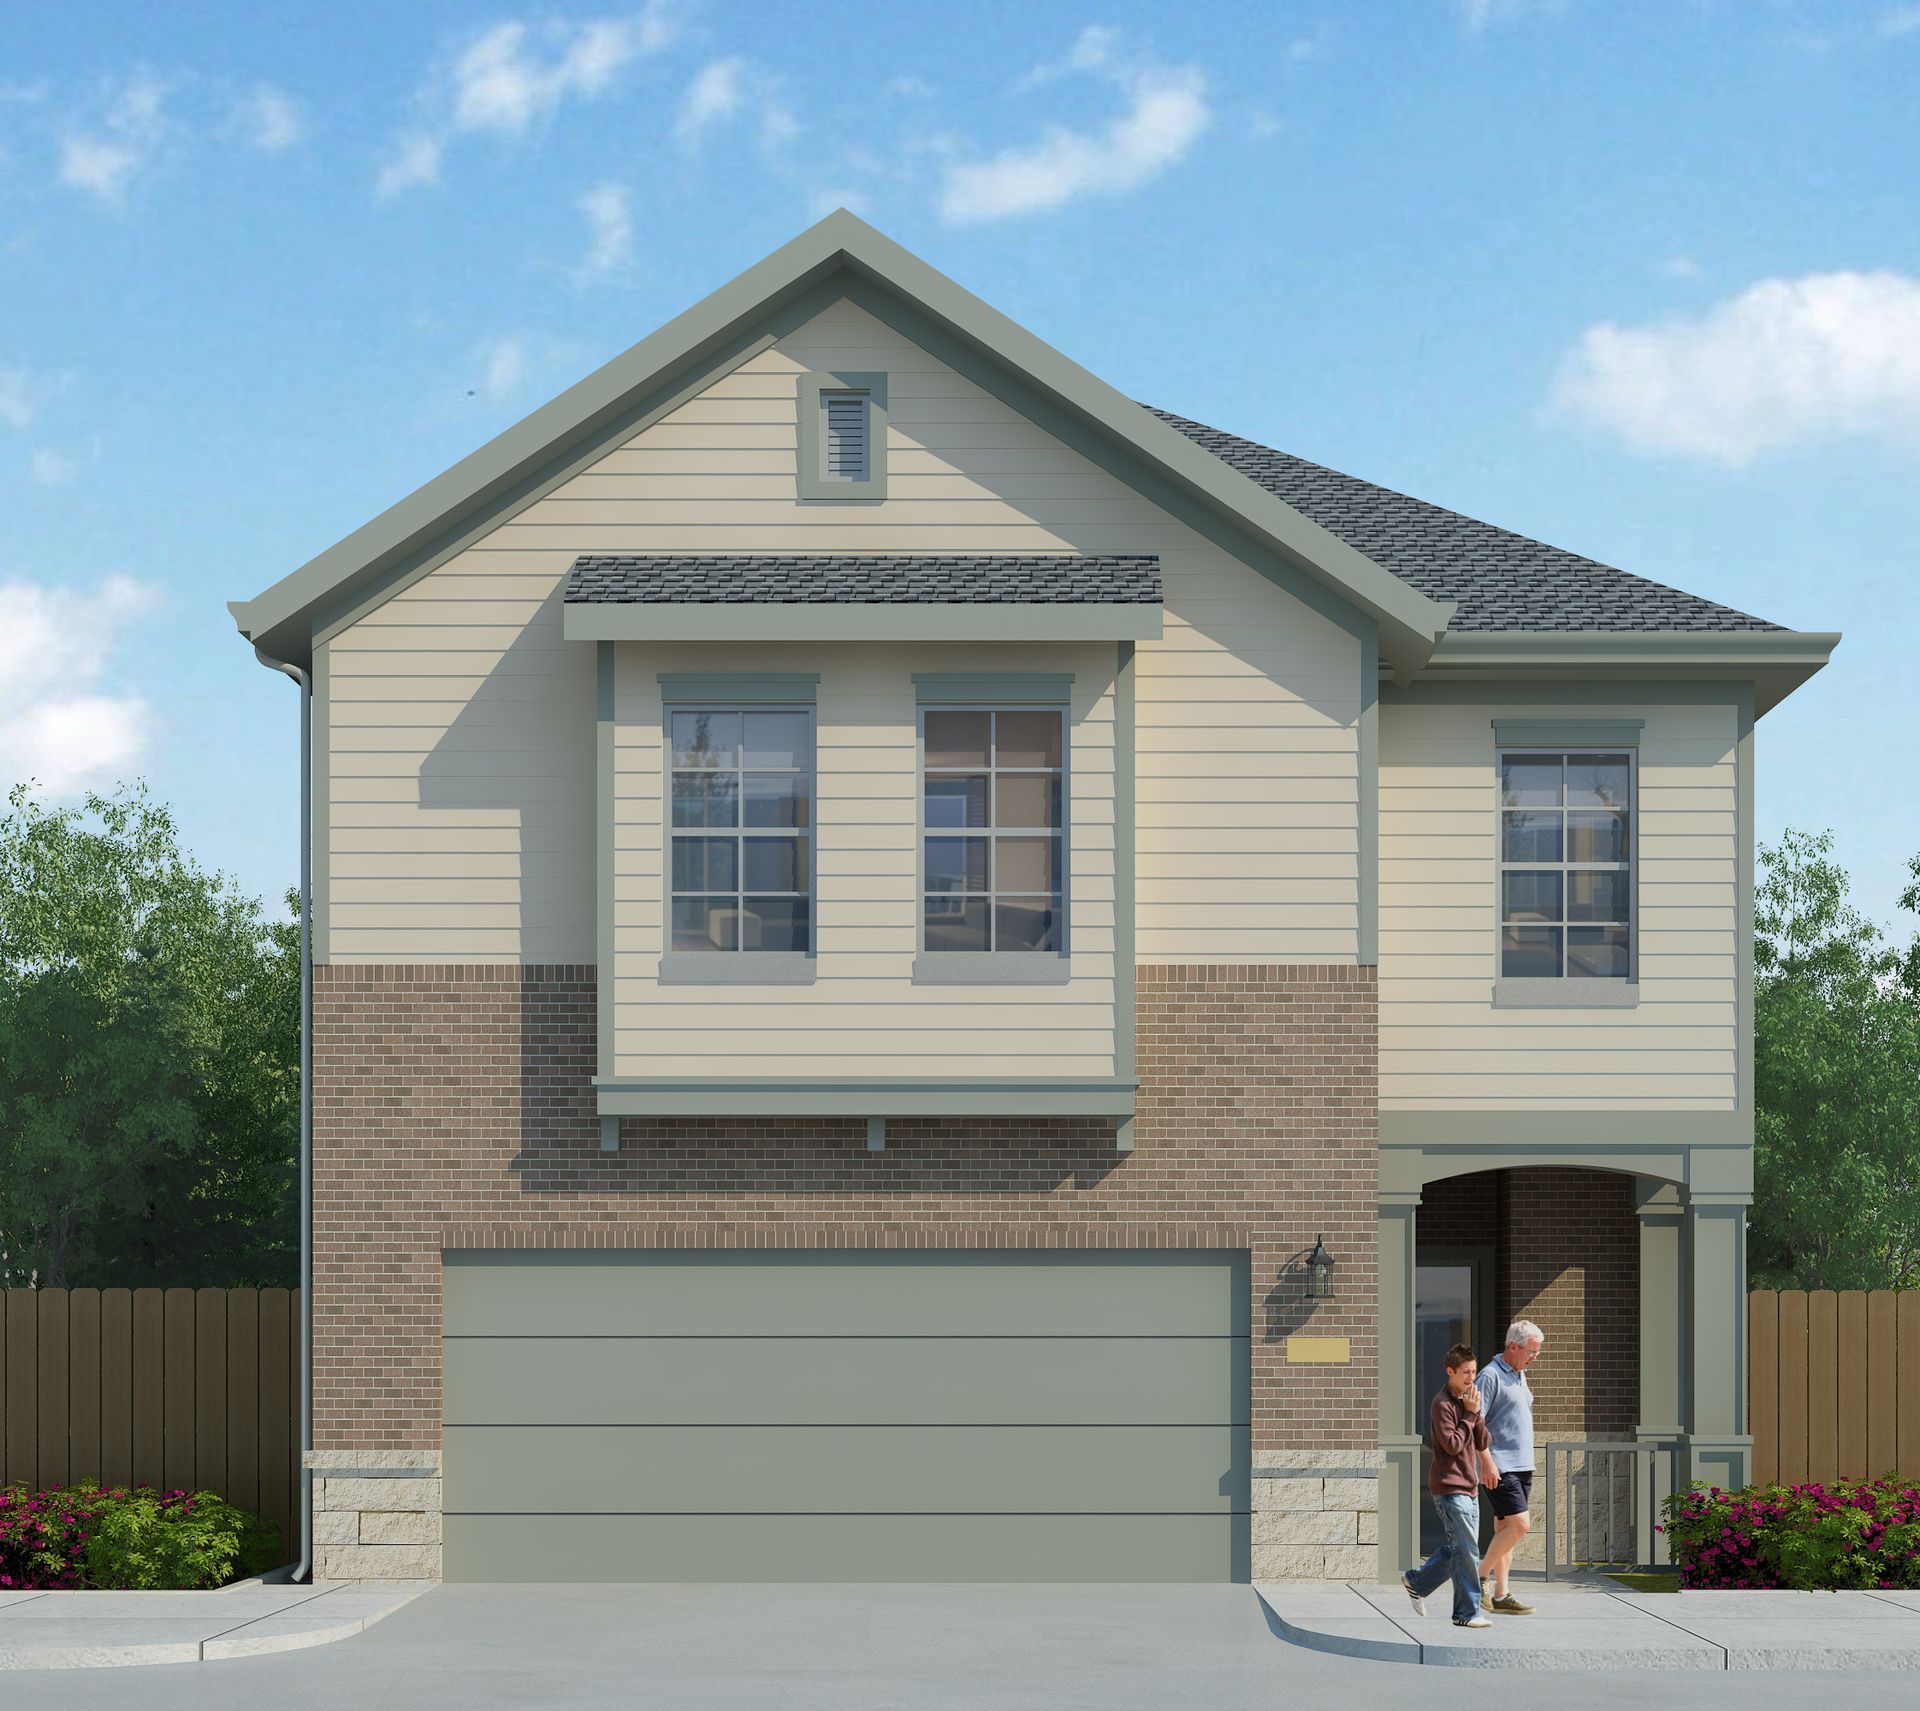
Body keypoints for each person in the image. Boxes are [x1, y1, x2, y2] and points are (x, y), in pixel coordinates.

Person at [1402, 1342, 1492, 1629]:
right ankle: (1467, 1613)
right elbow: (1452, 1445)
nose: (1471, 1378)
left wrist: (1476, 1414)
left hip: (1470, 1486)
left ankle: (1416, 1581)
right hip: (1449, 1487)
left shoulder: (1469, 1401)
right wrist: (1468, 1414)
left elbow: (1483, 1442)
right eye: (1465, 1372)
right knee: (1468, 1551)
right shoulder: (1441, 1404)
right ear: (1449, 1371)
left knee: (1460, 1549)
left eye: (1474, 1372)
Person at [1475, 1319, 1544, 1616]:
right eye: (1531, 1351)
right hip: (1501, 1466)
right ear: (1512, 1347)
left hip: (1521, 1464)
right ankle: (1477, 1577)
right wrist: (1487, 1462)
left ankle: (1501, 1594)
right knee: (1520, 1525)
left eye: (1537, 1352)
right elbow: (1474, 1421)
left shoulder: (1519, 1375)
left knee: (1505, 1528)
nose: (1534, 1357)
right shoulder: (1490, 1376)